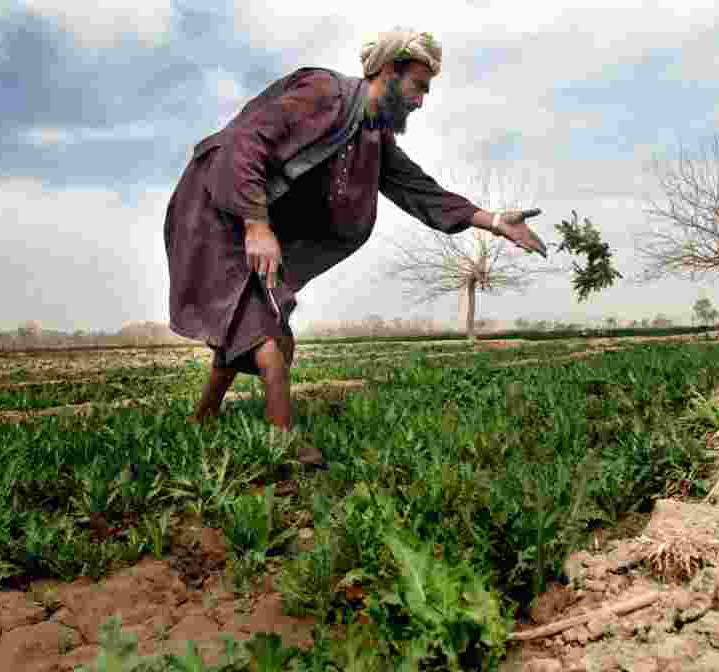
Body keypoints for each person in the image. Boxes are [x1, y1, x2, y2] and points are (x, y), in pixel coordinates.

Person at [163, 28, 548, 466]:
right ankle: (281, 445)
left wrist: (496, 222)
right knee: (269, 338)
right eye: (418, 86)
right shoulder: (322, 93)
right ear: (388, 71)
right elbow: (244, 143)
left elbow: (418, 189)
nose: (422, 100)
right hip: (219, 205)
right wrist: (255, 224)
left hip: (251, 216)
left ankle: (204, 418)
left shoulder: (372, 136)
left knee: (249, 320)